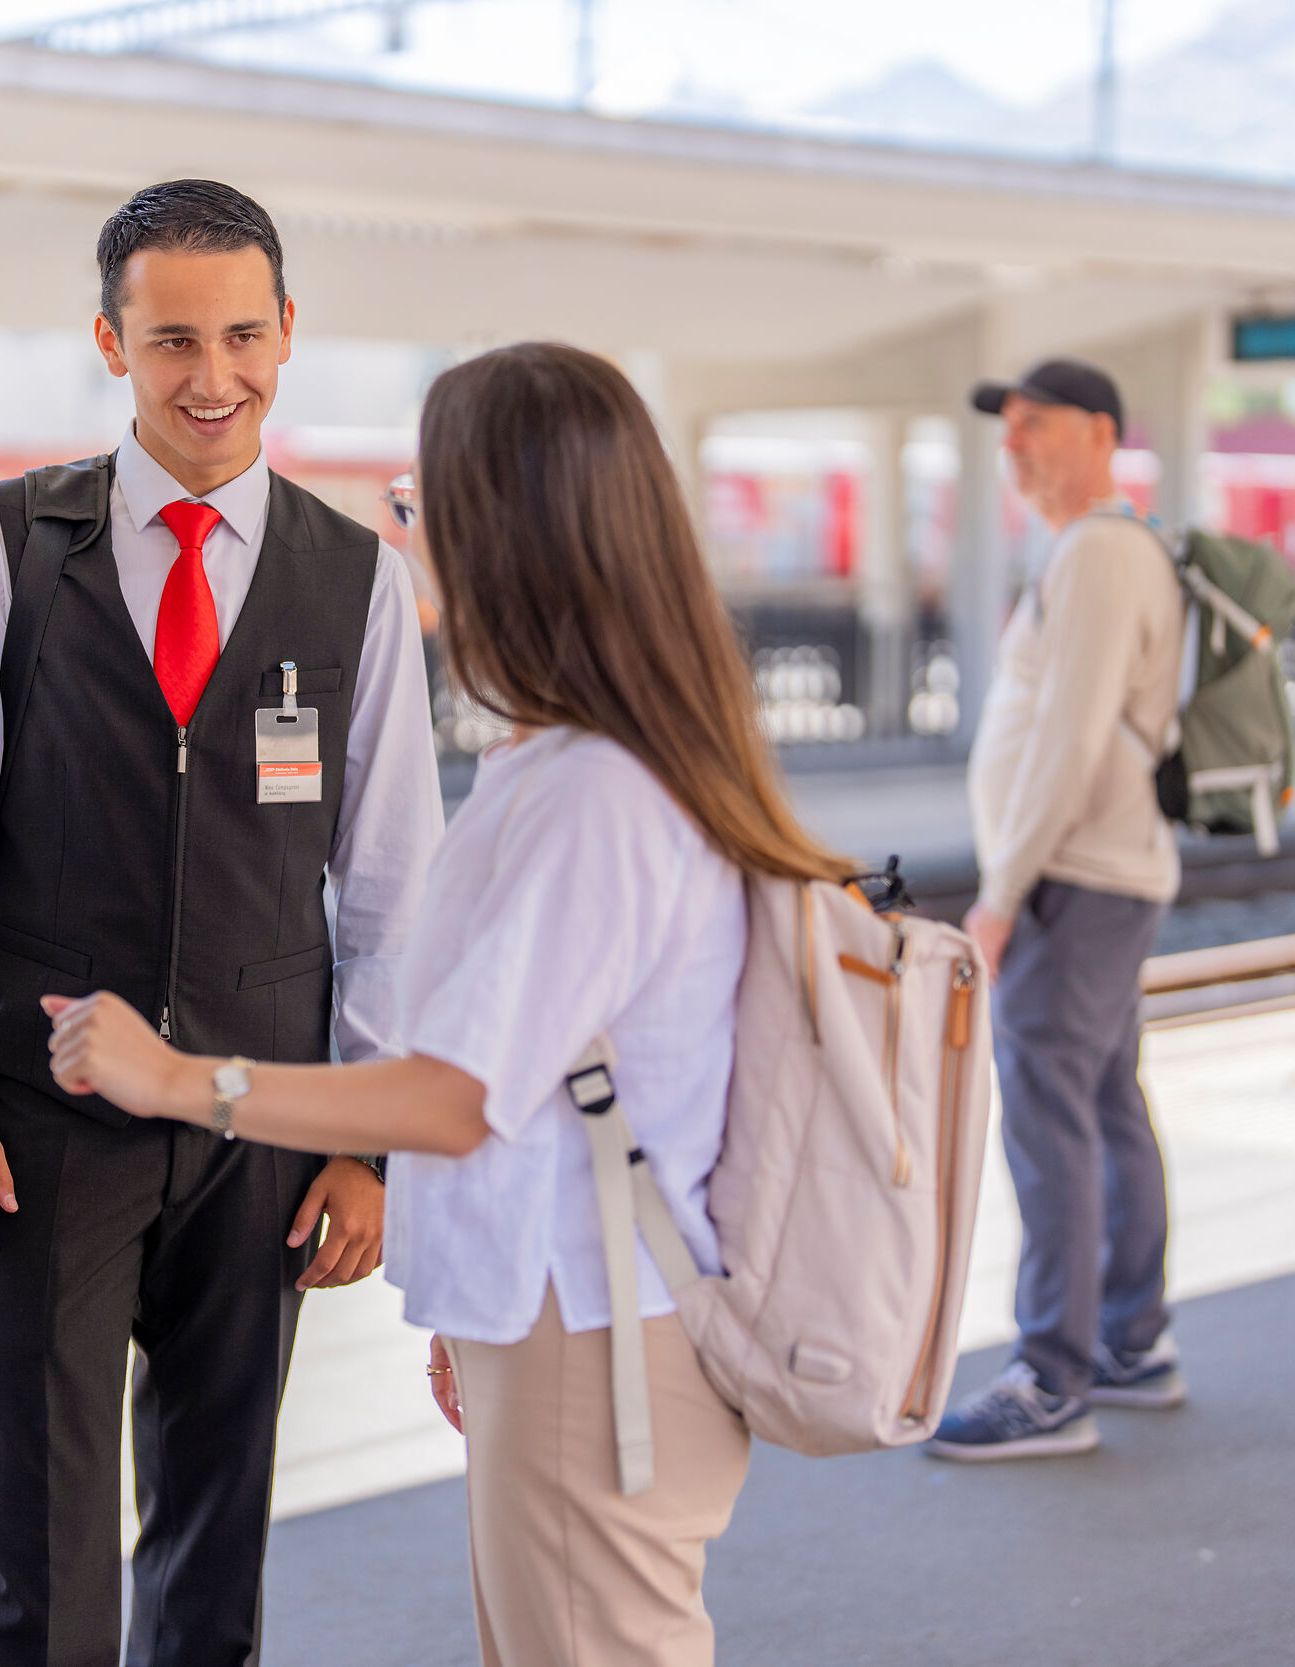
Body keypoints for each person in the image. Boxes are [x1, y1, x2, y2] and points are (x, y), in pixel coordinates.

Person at [44, 341, 853, 1667]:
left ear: (503, 534)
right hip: (570, 1319)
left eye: (420, 507)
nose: (411, 540)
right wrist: (481, 1314)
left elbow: (456, 1094)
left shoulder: (594, 792)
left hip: (592, 1336)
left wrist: (181, 1078)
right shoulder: (603, 760)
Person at [0, 179, 445, 1666]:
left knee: (216, 1534)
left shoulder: (356, 578)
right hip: (39, 1117)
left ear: (287, 331)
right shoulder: (11, 544)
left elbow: (392, 882)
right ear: (110, 343)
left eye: (243, 335)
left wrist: (364, 1142)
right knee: (34, 1539)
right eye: (174, 339)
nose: (213, 377)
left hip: (264, 1123)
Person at [928, 357, 1190, 1463]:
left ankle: (1052, 1375)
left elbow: (1069, 739)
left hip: (1073, 881)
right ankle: (1129, 1340)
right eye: (1008, 430)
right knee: (1104, 1105)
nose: (1015, 445)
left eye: (1036, 423)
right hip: (1100, 874)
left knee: (1048, 1117)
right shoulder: (1107, 550)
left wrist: (1000, 895)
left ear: (1099, 433)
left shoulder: (1097, 553)